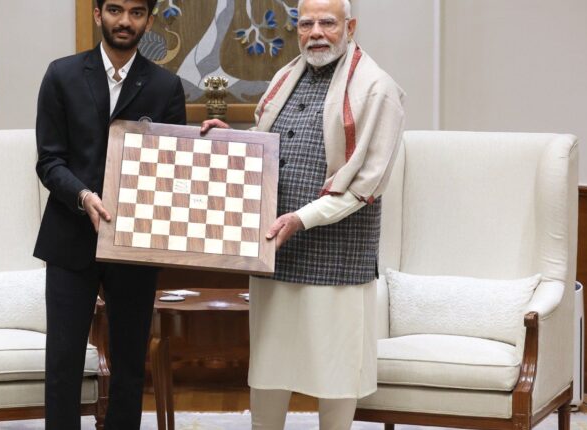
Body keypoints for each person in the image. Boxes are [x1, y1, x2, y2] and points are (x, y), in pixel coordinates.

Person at [201, 0, 405, 428]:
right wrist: (232, 140)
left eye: (327, 23)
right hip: (277, 251)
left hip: (337, 258)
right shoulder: (284, 78)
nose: (316, 32)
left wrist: (301, 218)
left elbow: (364, 186)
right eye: (306, 22)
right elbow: (266, 147)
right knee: (270, 369)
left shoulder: (376, 88)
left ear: (350, 26)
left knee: (336, 376)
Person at [33, 0, 186, 428]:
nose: (125, 21)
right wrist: (83, 196)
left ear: (149, 21)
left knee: (129, 364)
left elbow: (173, 169)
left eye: (137, 12)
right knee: (63, 362)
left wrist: (204, 143)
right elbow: (49, 162)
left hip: (135, 241)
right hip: (70, 235)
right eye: (115, 10)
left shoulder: (165, 86)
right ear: (98, 14)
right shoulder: (61, 75)